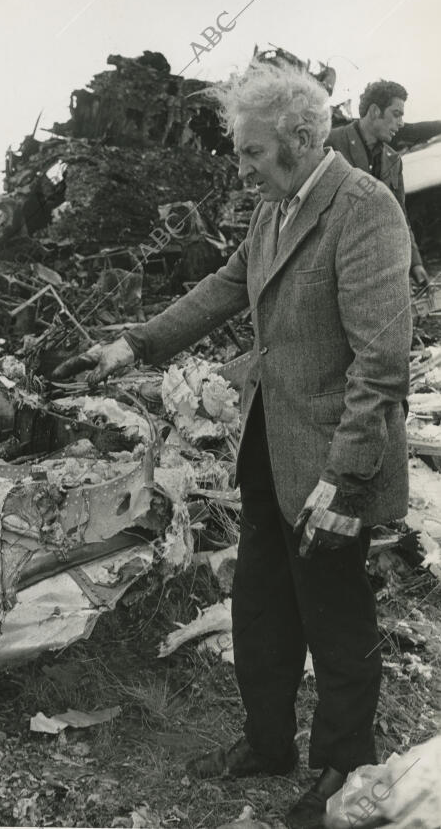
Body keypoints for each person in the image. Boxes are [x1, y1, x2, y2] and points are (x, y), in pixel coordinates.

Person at [52, 59, 412, 829]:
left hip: (328, 466)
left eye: (250, 151)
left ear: (302, 138)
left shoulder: (364, 209)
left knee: (337, 623)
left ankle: (343, 769)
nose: (240, 166)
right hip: (266, 451)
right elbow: (224, 286)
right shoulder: (272, 209)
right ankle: (267, 742)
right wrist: (133, 346)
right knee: (261, 610)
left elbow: (381, 367)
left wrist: (345, 481)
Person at [327, 79, 429, 286]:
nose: (400, 124)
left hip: (374, 269)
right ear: (375, 111)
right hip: (332, 270)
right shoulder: (331, 143)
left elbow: (399, 214)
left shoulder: (393, 160)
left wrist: (415, 262)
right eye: (396, 114)